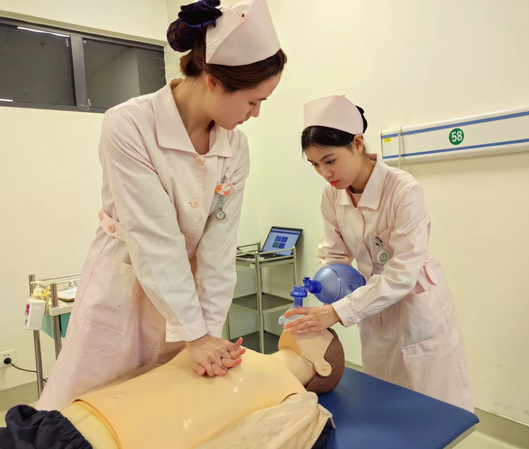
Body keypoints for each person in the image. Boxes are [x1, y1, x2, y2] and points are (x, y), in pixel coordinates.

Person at [37, 0, 287, 411]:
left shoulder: (236, 147)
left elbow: (219, 248)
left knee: (172, 411)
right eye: (252, 101)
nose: (256, 114)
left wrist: (206, 333)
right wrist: (195, 334)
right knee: (93, 410)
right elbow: (154, 237)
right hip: (125, 289)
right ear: (213, 82)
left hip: (186, 298)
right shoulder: (129, 124)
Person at [283, 95, 473, 411]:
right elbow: (334, 254)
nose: (325, 173)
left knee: (431, 405)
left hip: (415, 308)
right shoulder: (332, 196)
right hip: (372, 309)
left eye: (330, 160)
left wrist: (338, 312)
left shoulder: (403, 190)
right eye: (315, 165)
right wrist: (329, 292)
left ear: (357, 143)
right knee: (385, 399)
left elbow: (402, 272)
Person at [1, 330, 342, 449]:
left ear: (324, 367)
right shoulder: (220, 348)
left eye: (322, 330)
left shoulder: (299, 404)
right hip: (52, 424)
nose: (310, 320)